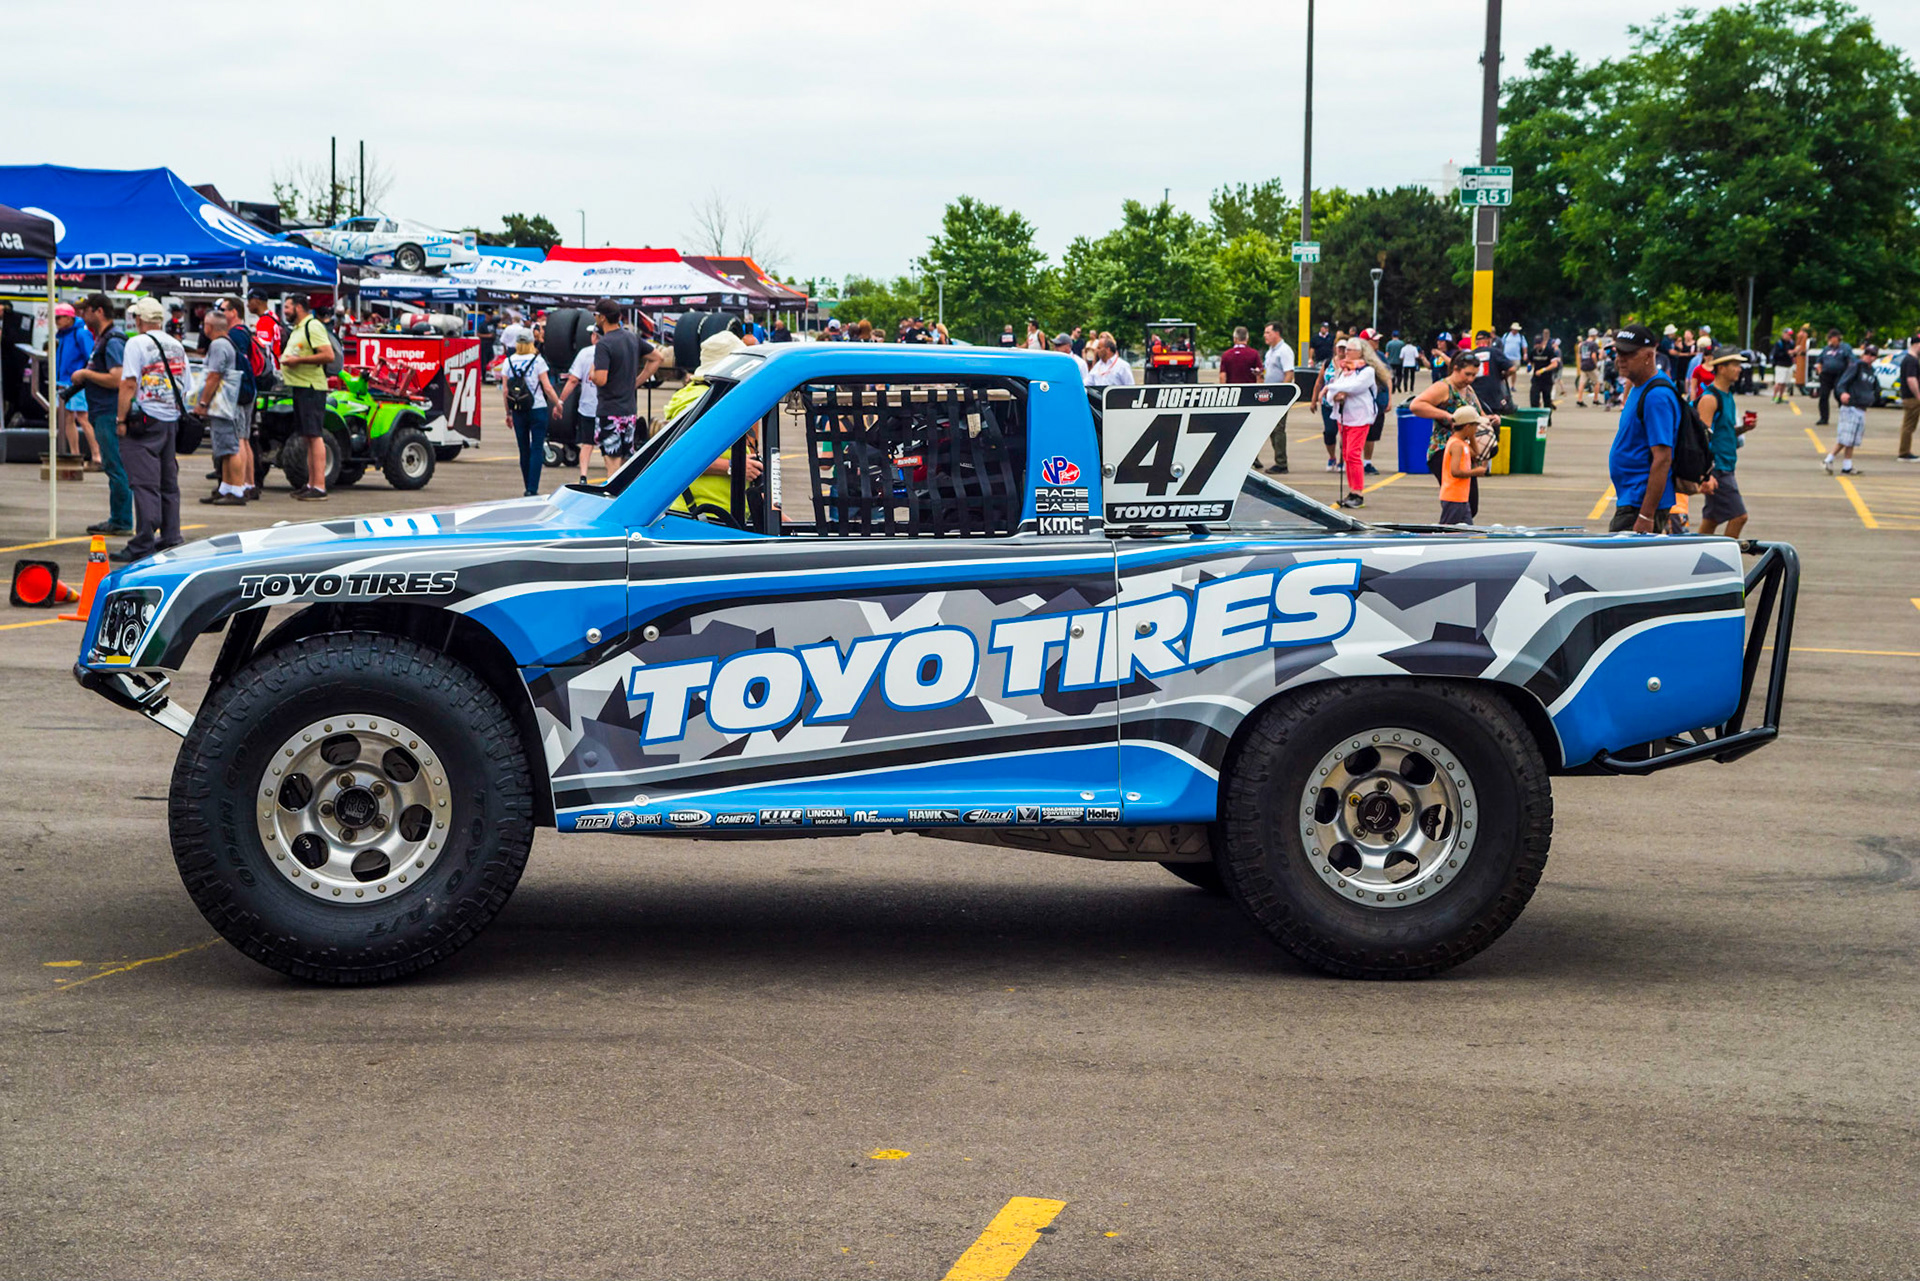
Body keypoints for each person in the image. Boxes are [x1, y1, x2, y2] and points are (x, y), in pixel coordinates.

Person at [112, 297, 188, 562]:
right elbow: (185, 382)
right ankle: (171, 537)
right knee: (168, 483)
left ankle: (143, 542)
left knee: (144, 484)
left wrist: (121, 419)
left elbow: (129, 383)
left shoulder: (136, 343)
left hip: (143, 420)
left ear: (139, 320)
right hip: (170, 419)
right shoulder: (176, 344)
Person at [67, 293, 133, 535]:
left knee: (116, 466)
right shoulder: (102, 339)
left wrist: (85, 375)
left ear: (99, 312)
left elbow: (117, 378)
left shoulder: (113, 340)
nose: (81, 315)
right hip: (102, 411)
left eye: (85, 310)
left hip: (108, 411)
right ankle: (119, 517)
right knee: (113, 465)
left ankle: (122, 520)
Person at [1606, 324, 1677, 533]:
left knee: (1617, 563)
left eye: (1628, 353)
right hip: (1632, 497)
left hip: (1640, 504)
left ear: (1648, 356)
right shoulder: (1640, 386)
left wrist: (1646, 515)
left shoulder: (1656, 396)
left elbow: (1663, 457)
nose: (1620, 358)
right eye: (1618, 352)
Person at [1409, 349, 1493, 520]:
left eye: (1474, 375)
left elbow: (1480, 413)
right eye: (1467, 374)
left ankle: (1455, 532)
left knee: (1470, 505)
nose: (1470, 379)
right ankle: (1448, 535)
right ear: (1455, 369)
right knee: (1457, 503)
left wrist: (1490, 419)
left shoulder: (1468, 389)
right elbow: (1416, 405)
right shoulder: (1443, 387)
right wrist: (1446, 415)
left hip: (1465, 451)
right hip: (1444, 450)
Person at [589, 298, 662, 475]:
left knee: (612, 464)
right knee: (624, 463)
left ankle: (614, 502)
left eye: (596, 314)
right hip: (629, 411)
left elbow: (600, 379)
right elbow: (657, 357)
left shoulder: (604, 344)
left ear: (603, 318)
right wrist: (637, 381)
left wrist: (592, 370)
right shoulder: (631, 338)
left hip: (609, 411)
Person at [278, 293, 334, 501]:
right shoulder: (299, 328)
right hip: (300, 387)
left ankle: (319, 486)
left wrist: (298, 361)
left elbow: (328, 355)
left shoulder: (313, 326)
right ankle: (311, 483)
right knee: (308, 437)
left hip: (311, 388)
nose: (285, 311)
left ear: (299, 307)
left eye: (288, 307)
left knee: (314, 434)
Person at [192, 309, 249, 505]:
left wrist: (202, 403)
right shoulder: (228, 343)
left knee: (231, 447)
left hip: (225, 404)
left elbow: (214, 376)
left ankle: (237, 490)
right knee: (224, 447)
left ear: (209, 327)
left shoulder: (217, 345)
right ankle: (226, 487)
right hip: (230, 403)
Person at [1695, 350, 1753, 538]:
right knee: (1739, 516)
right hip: (1717, 468)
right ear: (1721, 368)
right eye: (1734, 365)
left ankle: (1695, 560)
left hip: (1727, 464)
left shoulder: (1727, 396)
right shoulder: (1710, 399)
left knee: (1711, 520)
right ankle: (1727, 560)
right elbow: (1702, 438)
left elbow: (1723, 432)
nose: (1739, 369)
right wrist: (1706, 474)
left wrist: (1743, 429)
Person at [500, 332, 558, 497]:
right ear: (532, 343)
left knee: (523, 449)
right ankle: (532, 488)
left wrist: (508, 412)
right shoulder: (538, 361)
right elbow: (547, 387)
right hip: (537, 407)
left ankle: (527, 485)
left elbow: (505, 391)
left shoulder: (508, 362)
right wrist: (558, 402)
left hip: (518, 409)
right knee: (537, 448)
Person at [1322, 342, 1377, 507]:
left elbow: (1355, 387)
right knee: (1346, 454)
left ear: (1360, 352)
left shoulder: (1367, 371)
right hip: (1344, 417)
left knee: (1353, 454)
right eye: (1345, 349)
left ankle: (1358, 493)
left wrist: (1332, 388)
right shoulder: (1344, 371)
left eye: (1350, 350)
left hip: (1360, 417)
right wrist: (1335, 394)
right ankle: (1352, 491)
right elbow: (1336, 390)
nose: (1346, 352)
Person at [51, 302, 96, 463]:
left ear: (69, 318)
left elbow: (90, 356)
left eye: (59, 317)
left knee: (83, 417)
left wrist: (84, 376)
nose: (56, 321)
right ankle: (75, 454)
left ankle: (97, 455)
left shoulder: (80, 333)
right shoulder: (63, 334)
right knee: (68, 418)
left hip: (78, 382)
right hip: (64, 380)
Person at [1823, 343, 1877, 475]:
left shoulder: (1872, 372)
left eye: (1872, 354)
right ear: (1863, 354)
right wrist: (1842, 393)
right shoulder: (1856, 366)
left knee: (1852, 439)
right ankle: (1828, 459)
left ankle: (1847, 465)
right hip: (1851, 406)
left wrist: (1873, 397)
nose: (1869, 357)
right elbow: (1842, 383)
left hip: (1861, 407)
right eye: (1867, 353)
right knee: (1846, 437)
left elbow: (1875, 387)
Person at [559, 328, 602, 482]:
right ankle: (613, 476)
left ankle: (583, 475)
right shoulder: (615, 350)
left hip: (588, 406)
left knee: (587, 443)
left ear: (595, 336)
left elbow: (573, 379)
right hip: (609, 406)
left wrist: (561, 400)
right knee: (610, 447)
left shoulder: (585, 353)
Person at [1439, 405, 1489, 525]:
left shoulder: (1462, 444)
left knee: (1467, 531)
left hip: (1461, 497)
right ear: (1467, 426)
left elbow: (1476, 453)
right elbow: (1455, 472)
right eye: (1475, 426)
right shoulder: (1456, 445)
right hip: (1453, 497)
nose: (1477, 429)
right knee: (1447, 532)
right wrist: (1475, 472)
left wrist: (1471, 436)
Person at [1260, 321, 1296, 473]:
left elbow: (1289, 373)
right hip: (1269, 395)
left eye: (1268, 332)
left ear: (1277, 333)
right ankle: (1279, 459)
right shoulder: (1270, 351)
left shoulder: (1284, 351)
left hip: (1279, 396)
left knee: (1279, 429)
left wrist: (1282, 394)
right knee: (1272, 429)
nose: (1265, 335)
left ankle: (1281, 463)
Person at [1813, 328, 1852, 425]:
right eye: (1830, 338)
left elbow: (1851, 360)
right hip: (1826, 375)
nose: (1831, 340)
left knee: (1838, 395)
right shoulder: (1826, 349)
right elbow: (1819, 360)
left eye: (1833, 338)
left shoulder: (1845, 348)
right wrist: (1819, 368)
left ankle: (1846, 416)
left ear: (1838, 338)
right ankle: (1824, 418)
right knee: (1823, 396)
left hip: (1840, 374)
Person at [1897, 332, 1920, 463]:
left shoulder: (1909, 359)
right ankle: (1904, 452)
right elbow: (1911, 379)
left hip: (1909, 397)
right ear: (1917, 344)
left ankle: (1904, 451)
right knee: (1909, 426)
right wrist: (1918, 396)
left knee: (1908, 425)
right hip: (1912, 398)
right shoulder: (1911, 360)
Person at [1527, 328, 1561, 408]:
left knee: (1547, 401)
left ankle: (1547, 419)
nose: (1537, 346)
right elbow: (1531, 361)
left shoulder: (1549, 351)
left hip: (1546, 379)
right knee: (1534, 399)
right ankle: (1535, 417)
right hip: (1536, 379)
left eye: (1539, 343)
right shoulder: (1533, 351)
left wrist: (1543, 370)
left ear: (1542, 343)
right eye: (1535, 344)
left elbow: (1554, 364)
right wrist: (1529, 366)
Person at [1575, 329, 1602, 407]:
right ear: (1594, 335)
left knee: (1582, 383)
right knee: (1597, 382)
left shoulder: (1582, 344)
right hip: (1591, 365)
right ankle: (1595, 399)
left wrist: (1580, 364)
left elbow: (1579, 355)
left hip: (1583, 364)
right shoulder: (1594, 344)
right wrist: (1596, 364)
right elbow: (1593, 356)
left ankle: (1579, 400)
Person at [1769, 328, 1796, 403]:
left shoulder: (1791, 343)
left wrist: (1794, 352)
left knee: (1784, 382)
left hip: (1788, 365)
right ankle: (1774, 397)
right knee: (1779, 382)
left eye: (1791, 335)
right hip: (1780, 365)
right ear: (1784, 334)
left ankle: (1780, 397)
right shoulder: (1779, 343)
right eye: (1788, 334)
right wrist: (1787, 353)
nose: (1790, 336)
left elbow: (1793, 354)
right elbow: (1776, 354)